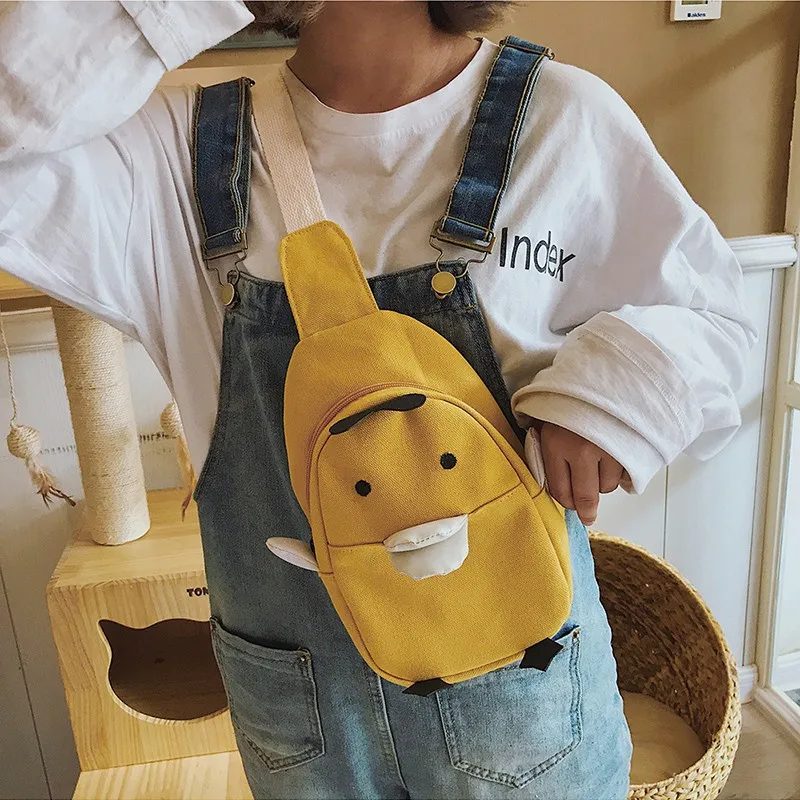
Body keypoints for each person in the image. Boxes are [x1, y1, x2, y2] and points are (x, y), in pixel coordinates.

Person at [0, 2, 754, 798]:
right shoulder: (176, 157)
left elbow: (713, 315)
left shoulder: (565, 122)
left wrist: (607, 400)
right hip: (305, 721)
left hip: (519, 698)